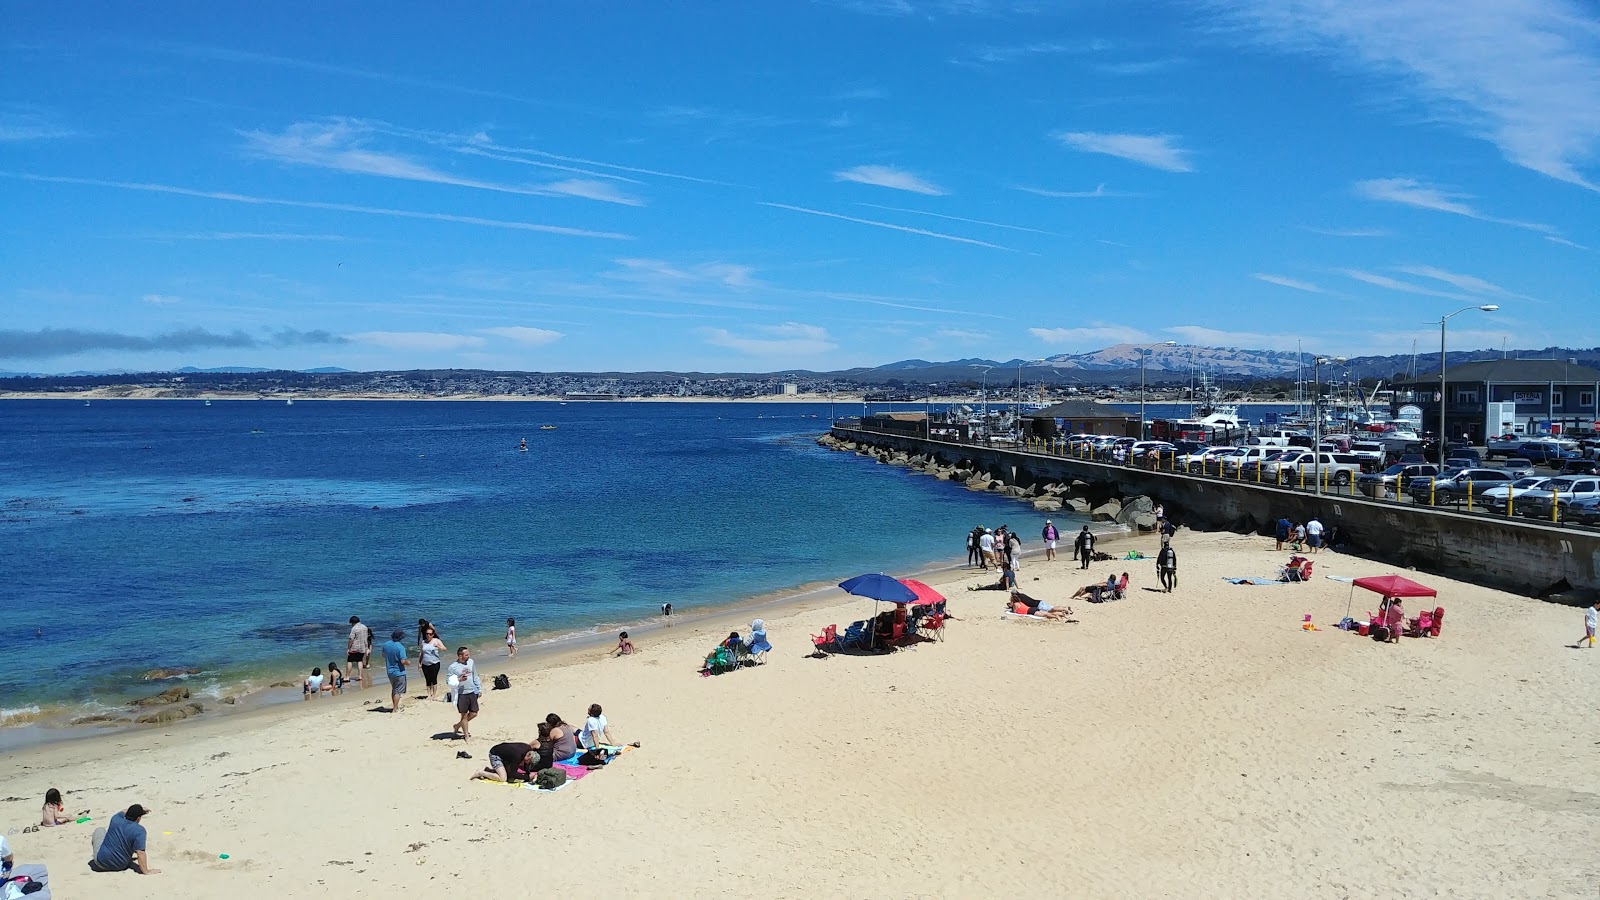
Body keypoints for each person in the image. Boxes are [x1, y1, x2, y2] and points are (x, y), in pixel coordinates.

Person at [89, 803, 158, 874]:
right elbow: (140, 853)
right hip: (121, 865)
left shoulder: (115, 818)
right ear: (138, 818)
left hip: (101, 862)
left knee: (100, 830)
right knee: (132, 841)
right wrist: (146, 871)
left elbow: (124, 810)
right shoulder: (139, 830)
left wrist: (141, 809)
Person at [449, 646, 481, 739]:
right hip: (461, 694)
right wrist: (459, 679)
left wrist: (479, 688)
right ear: (460, 656)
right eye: (466, 655)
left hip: (472, 691)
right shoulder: (453, 667)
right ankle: (466, 735)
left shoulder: (471, 662)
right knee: (464, 715)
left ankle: (457, 726)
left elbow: (475, 675)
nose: (468, 656)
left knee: (474, 713)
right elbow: (449, 681)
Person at [471, 740, 537, 783]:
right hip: (495, 755)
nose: (528, 763)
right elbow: (512, 773)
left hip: (504, 754)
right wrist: (527, 777)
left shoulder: (527, 749)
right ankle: (480, 773)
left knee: (507, 773)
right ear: (528, 757)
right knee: (503, 778)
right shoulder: (517, 756)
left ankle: (489, 771)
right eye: (529, 762)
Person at [381, 629, 409, 713]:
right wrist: (408, 662)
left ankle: (394, 706)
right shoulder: (400, 647)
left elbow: (383, 655)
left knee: (394, 689)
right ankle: (395, 708)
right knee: (398, 691)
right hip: (399, 672)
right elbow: (403, 661)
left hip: (389, 671)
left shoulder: (386, 644)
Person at [418, 624, 445, 700]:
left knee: (433, 678)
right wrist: (419, 663)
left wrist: (438, 646)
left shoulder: (436, 641)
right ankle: (429, 694)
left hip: (435, 663)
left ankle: (434, 694)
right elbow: (421, 653)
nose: (428, 635)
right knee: (427, 679)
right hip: (425, 663)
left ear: (433, 634)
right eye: (427, 634)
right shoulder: (423, 642)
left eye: (430, 634)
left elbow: (444, 649)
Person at [346, 616, 371, 685]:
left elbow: (351, 639)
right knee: (360, 660)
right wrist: (366, 648)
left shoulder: (354, 628)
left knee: (349, 661)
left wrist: (348, 648)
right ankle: (359, 676)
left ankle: (347, 676)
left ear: (353, 622)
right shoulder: (365, 627)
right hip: (362, 648)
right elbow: (366, 639)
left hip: (354, 648)